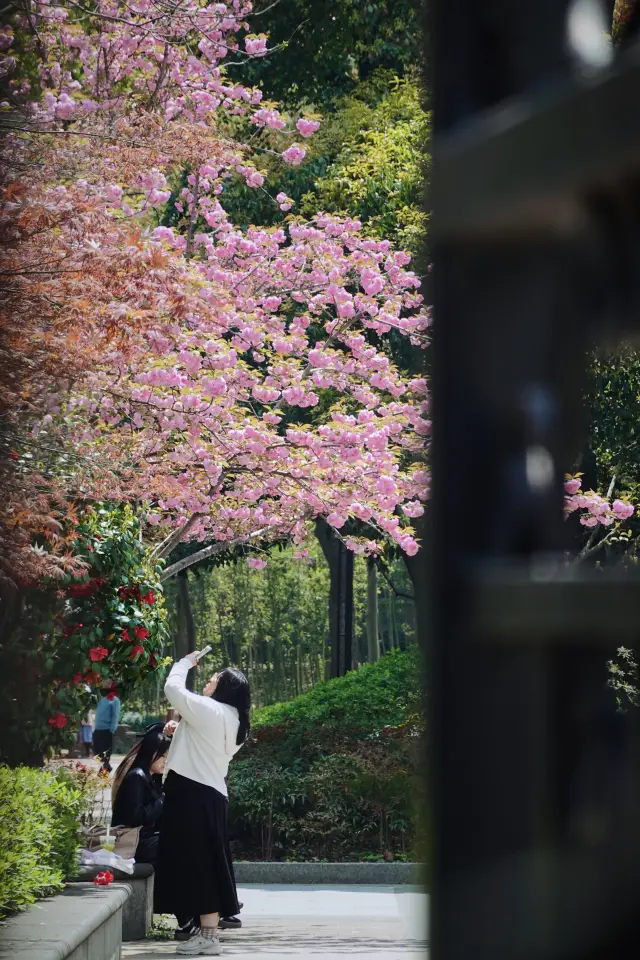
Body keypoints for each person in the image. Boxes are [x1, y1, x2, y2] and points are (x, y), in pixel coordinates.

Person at [154, 651, 251, 957]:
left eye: (213, 679)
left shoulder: (210, 709)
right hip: (209, 794)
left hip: (192, 795)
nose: (208, 682)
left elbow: (173, 690)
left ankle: (208, 938)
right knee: (206, 863)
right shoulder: (234, 719)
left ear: (223, 688)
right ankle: (206, 934)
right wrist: (179, 729)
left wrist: (184, 663)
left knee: (199, 865)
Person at [111, 723, 170, 863]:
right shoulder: (136, 777)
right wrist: (162, 801)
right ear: (152, 753)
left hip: (144, 840)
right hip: (133, 843)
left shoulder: (152, 779)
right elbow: (135, 817)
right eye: (163, 757)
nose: (166, 762)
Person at [92, 682, 120, 772]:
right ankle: (107, 767)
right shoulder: (101, 698)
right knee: (96, 751)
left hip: (107, 730)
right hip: (97, 729)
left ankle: (104, 770)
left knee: (105, 753)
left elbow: (115, 715)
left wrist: (112, 729)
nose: (105, 684)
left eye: (108, 682)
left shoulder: (115, 700)